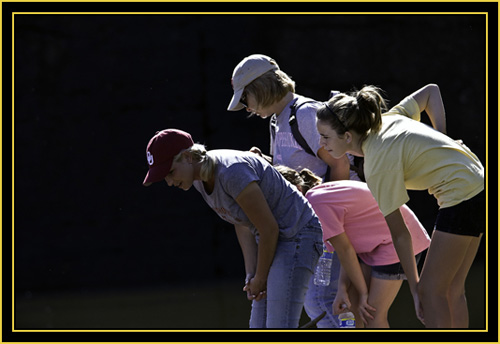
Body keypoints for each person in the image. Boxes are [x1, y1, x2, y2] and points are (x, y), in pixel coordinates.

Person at [315, 83, 485, 328]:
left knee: (430, 292)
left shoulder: (376, 164)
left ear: (348, 136)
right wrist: (445, 139)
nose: (322, 144)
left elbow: (400, 235)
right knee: (451, 289)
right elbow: (431, 92)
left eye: (326, 137)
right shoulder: (388, 118)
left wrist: (416, 289)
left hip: (463, 196)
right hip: (480, 183)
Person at [142, 129, 323, 328]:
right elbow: (241, 222)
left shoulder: (231, 171)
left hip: (297, 235)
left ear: (187, 157)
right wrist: (252, 274)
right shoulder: (198, 180)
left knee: (278, 326)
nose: (169, 182)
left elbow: (269, 229)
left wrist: (260, 278)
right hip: (271, 240)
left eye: (170, 172)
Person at [276, 165, 431, 328]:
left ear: (298, 189)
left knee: (372, 315)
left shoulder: (315, 204)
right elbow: (347, 248)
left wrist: (363, 292)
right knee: (352, 308)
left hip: (396, 242)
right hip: (375, 244)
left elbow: (346, 251)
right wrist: (342, 287)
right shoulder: (315, 196)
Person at [227, 53, 352, 181]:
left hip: (342, 199)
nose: (247, 108)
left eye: (243, 99)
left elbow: (341, 164)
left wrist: (329, 202)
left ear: (260, 88)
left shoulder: (304, 113)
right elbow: (293, 168)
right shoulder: (275, 120)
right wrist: (263, 160)